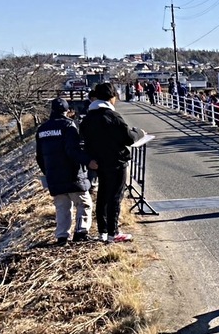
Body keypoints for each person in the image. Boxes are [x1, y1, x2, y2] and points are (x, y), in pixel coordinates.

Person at [79, 82, 143, 244]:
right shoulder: (112, 116)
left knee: (102, 196)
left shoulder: (88, 118)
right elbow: (128, 138)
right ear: (112, 97)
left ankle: (103, 231)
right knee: (115, 196)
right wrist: (139, 133)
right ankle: (113, 233)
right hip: (116, 161)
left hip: (98, 163)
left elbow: (84, 140)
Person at [36, 98, 93, 245]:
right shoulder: (68, 126)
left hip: (53, 176)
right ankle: (81, 232)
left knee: (62, 207)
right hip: (72, 174)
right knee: (84, 203)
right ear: (67, 111)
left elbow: (39, 156)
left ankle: (62, 236)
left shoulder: (42, 130)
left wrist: (48, 173)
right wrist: (87, 161)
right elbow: (72, 151)